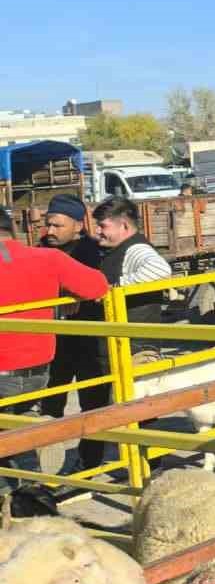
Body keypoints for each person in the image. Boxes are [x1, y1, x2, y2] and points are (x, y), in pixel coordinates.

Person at [0, 205, 109, 494]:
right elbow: (98, 286)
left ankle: (26, 501)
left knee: (10, 441)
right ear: (11, 229)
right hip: (38, 369)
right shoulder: (48, 258)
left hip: (3, 369)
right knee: (20, 433)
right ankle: (32, 495)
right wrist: (65, 292)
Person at [35, 196, 111, 474]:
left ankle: (89, 462)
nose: (50, 231)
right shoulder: (40, 250)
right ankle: (48, 465)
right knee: (51, 401)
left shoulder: (92, 251)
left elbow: (98, 286)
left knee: (92, 401)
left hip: (89, 339)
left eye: (58, 225)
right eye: (48, 224)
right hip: (55, 339)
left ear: (78, 225)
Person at [92, 197, 173, 327]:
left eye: (102, 226)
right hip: (121, 337)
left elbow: (161, 270)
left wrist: (114, 287)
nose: (97, 231)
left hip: (136, 341)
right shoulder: (116, 249)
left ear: (124, 226)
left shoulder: (136, 248)